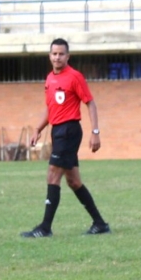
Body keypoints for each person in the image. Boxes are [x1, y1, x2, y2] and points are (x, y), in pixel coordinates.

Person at [21, 38, 110, 238]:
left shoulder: (75, 77)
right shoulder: (49, 79)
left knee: (53, 173)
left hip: (69, 131)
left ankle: (45, 227)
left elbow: (91, 103)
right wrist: (37, 129)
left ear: (67, 56)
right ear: (49, 56)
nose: (57, 57)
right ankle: (100, 223)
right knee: (73, 181)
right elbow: (50, 107)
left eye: (61, 54)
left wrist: (95, 132)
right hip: (57, 131)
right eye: (54, 53)